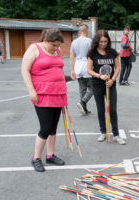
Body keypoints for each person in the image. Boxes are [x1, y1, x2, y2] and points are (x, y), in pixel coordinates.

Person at [21, 28, 67, 172]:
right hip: (42, 95)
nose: (56, 48)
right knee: (45, 128)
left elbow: (57, 69)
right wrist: (31, 90)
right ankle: (36, 158)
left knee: (53, 127)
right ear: (46, 41)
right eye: (53, 45)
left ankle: (50, 155)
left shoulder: (56, 51)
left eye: (58, 46)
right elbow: (24, 70)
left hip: (57, 94)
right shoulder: (34, 49)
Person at [87, 30, 126, 145]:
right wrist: (100, 76)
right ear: (97, 41)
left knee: (113, 109)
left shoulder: (113, 52)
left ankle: (116, 134)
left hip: (111, 84)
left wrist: (113, 80)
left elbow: (118, 68)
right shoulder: (92, 53)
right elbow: (88, 70)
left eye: (105, 41)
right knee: (101, 109)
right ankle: (103, 132)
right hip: (97, 84)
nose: (103, 44)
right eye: (101, 42)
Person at [70, 24, 93, 115]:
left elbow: (71, 57)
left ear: (79, 32)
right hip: (86, 64)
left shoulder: (74, 42)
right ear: (86, 31)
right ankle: (83, 102)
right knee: (92, 88)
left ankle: (84, 108)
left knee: (82, 88)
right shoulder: (89, 41)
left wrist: (72, 70)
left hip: (78, 64)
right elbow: (92, 55)